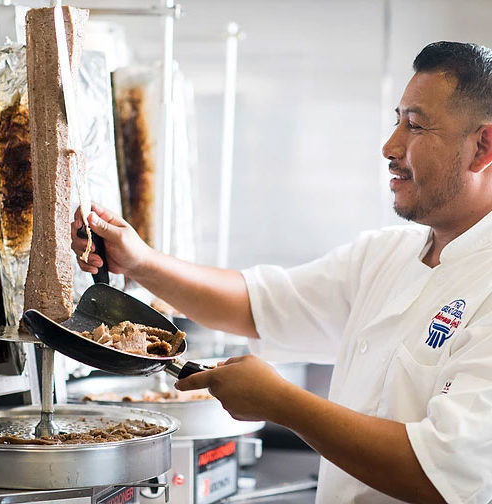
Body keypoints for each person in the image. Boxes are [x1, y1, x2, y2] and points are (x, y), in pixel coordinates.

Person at [72, 41, 492, 503]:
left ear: (482, 146)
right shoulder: (386, 256)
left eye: (414, 126)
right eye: (396, 121)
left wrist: (281, 403)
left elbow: (437, 472)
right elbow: (256, 305)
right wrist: (140, 262)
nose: (390, 146)